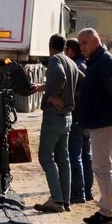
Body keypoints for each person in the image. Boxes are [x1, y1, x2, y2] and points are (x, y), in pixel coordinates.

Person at [76, 27, 112, 224]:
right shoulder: (98, 60)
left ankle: (108, 212)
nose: (81, 47)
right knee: (105, 167)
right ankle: (111, 209)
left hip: (104, 122)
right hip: (102, 120)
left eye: (84, 43)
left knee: (101, 167)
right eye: (79, 43)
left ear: (96, 41)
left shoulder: (105, 61)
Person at [31, 33, 83, 214]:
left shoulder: (54, 60)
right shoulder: (71, 62)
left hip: (53, 117)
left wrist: (53, 95)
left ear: (50, 46)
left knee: (45, 157)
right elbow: (79, 81)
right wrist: (42, 87)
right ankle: (65, 199)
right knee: (64, 157)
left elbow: (60, 76)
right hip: (67, 116)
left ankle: (56, 199)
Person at [65, 37, 93, 204]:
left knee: (73, 154)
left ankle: (78, 192)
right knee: (86, 154)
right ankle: (88, 191)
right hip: (89, 116)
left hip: (77, 116)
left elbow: (69, 90)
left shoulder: (74, 66)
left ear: (70, 50)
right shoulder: (88, 64)